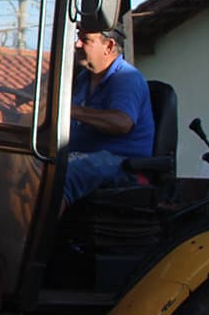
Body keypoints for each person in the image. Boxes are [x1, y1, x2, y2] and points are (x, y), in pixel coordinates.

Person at [65, 24, 154, 203]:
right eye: (78, 38)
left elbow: (122, 122)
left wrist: (72, 111)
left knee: (62, 173)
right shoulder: (83, 79)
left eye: (85, 40)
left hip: (123, 164)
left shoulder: (127, 78)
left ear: (109, 46)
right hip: (85, 156)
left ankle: (43, 221)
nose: (77, 44)